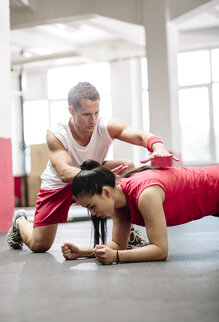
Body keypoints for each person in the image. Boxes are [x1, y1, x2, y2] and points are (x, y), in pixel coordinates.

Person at [7, 82, 178, 253]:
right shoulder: (57, 133)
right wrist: (100, 176)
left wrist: (157, 146)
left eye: (96, 113)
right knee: (40, 245)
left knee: (127, 166)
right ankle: (20, 221)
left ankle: (128, 231)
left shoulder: (105, 126)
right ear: (71, 111)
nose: (93, 120)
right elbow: (64, 172)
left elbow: (140, 136)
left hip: (90, 172)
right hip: (59, 185)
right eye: (86, 114)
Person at [61, 160, 219, 264]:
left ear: (106, 192)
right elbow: (118, 244)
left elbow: (160, 250)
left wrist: (116, 257)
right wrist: (81, 252)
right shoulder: (118, 201)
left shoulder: (146, 195)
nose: (93, 214)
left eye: (92, 206)